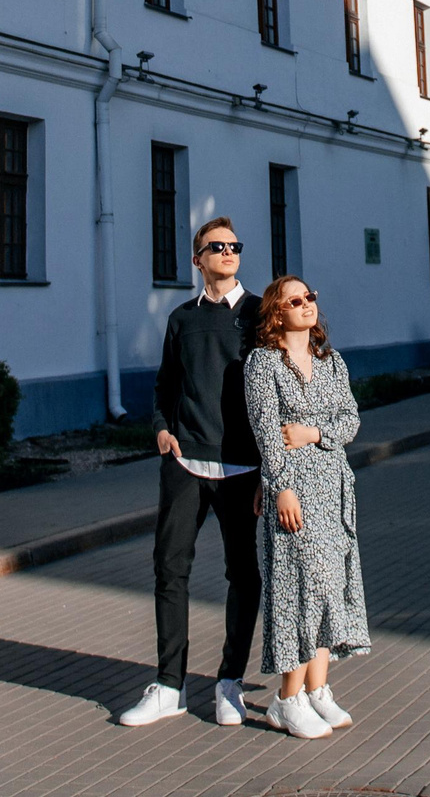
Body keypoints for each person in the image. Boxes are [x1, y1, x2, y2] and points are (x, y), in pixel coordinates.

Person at [118, 219, 261, 728]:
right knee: (169, 568)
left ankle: (229, 683)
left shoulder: (259, 314)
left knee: (243, 574)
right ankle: (170, 685)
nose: (227, 252)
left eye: (234, 246)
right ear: (197, 259)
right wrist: (161, 429)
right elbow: (164, 385)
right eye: (216, 247)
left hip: (243, 466)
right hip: (185, 462)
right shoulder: (181, 318)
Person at [245, 273, 369, 740]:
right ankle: (287, 698)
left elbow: (351, 419)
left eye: (311, 296)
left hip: (334, 487)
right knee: (299, 588)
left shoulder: (330, 361)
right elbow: (266, 431)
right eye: (296, 300)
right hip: (294, 488)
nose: (307, 305)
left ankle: (319, 689)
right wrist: (279, 487)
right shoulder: (263, 364)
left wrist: (314, 433)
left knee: (330, 587)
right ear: (278, 312)